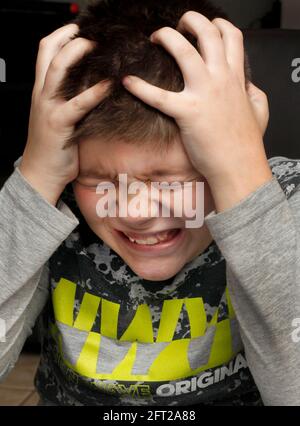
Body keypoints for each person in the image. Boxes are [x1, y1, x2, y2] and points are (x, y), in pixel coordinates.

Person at [0, 0, 300, 406]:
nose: (136, 213)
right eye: (100, 180)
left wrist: (243, 177)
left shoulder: (285, 196)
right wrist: (36, 180)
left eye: (173, 180)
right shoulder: (52, 200)